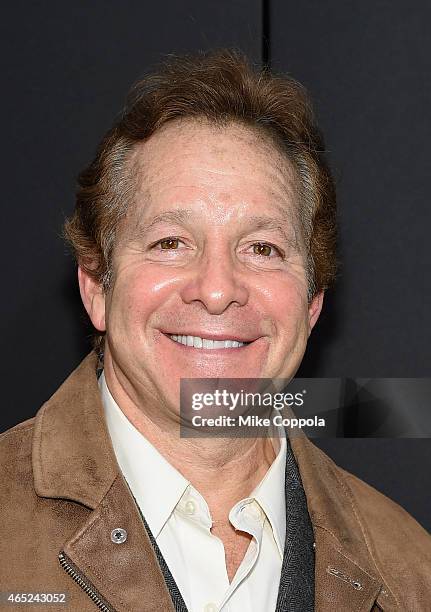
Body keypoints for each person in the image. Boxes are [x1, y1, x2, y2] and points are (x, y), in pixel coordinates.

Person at [0, 49, 430, 612]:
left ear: (311, 303)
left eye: (262, 248)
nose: (218, 288)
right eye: (170, 243)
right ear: (96, 287)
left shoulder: (410, 571)